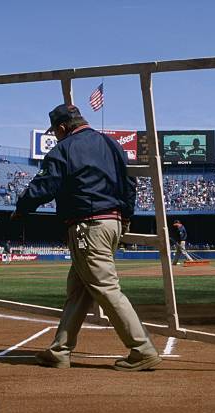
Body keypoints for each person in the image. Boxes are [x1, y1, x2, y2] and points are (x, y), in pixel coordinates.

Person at [12, 104, 161, 372]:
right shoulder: (111, 144)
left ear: (61, 128)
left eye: (55, 132)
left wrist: (21, 209)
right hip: (112, 223)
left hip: (88, 227)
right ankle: (60, 350)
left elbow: (44, 186)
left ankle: (143, 349)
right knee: (78, 291)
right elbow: (129, 185)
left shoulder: (63, 149)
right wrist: (125, 217)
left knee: (106, 288)